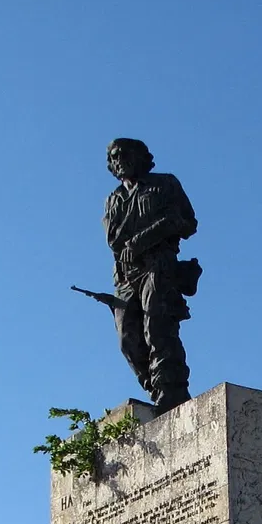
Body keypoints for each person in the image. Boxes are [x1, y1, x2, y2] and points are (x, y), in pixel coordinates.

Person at [102, 138, 199, 414]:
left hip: (159, 263)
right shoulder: (114, 199)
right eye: (114, 156)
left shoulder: (164, 184)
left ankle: (171, 388)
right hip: (126, 274)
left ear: (141, 157)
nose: (119, 159)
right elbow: (113, 241)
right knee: (127, 337)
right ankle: (154, 386)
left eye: (124, 153)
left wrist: (146, 238)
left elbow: (188, 222)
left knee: (158, 324)